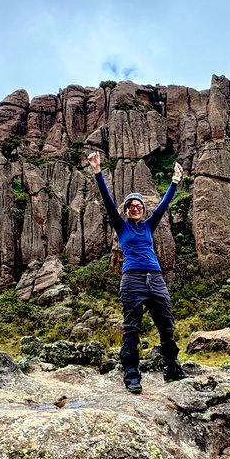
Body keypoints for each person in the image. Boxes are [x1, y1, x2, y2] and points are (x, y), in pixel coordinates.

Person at [87, 149, 187, 392]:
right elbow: (108, 201)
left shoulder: (149, 225)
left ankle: (172, 368)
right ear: (126, 210)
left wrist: (175, 181)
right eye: (131, 205)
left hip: (156, 279)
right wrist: (98, 171)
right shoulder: (121, 227)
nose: (135, 208)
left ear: (142, 209)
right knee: (132, 327)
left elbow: (163, 205)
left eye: (138, 205)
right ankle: (132, 374)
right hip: (132, 280)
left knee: (166, 324)